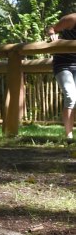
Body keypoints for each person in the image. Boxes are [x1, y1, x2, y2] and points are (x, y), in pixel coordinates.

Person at [46, 13, 76, 142]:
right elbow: (51, 28)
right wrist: (52, 34)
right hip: (63, 65)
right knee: (70, 97)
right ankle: (69, 136)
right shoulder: (72, 19)